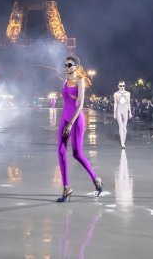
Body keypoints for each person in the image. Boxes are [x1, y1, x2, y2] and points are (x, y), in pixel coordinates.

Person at [57, 56, 102, 202]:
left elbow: (81, 105)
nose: (67, 67)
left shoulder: (80, 80)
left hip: (76, 120)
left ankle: (96, 179)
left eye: (69, 65)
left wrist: (70, 124)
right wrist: (65, 122)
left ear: (76, 66)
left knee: (77, 154)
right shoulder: (65, 82)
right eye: (65, 65)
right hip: (64, 118)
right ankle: (66, 188)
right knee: (61, 151)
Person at [113, 80, 132, 148]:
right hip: (119, 110)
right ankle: (122, 143)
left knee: (124, 127)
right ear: (118, 86)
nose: (122, 87)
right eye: (121, 86)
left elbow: (128, 103)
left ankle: (123, 141)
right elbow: (115, 103)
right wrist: (114, 113)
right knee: (120, 126)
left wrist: (130, 112)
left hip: (125, 111)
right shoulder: (116, 94)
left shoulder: (128, 93)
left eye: (123, 85)